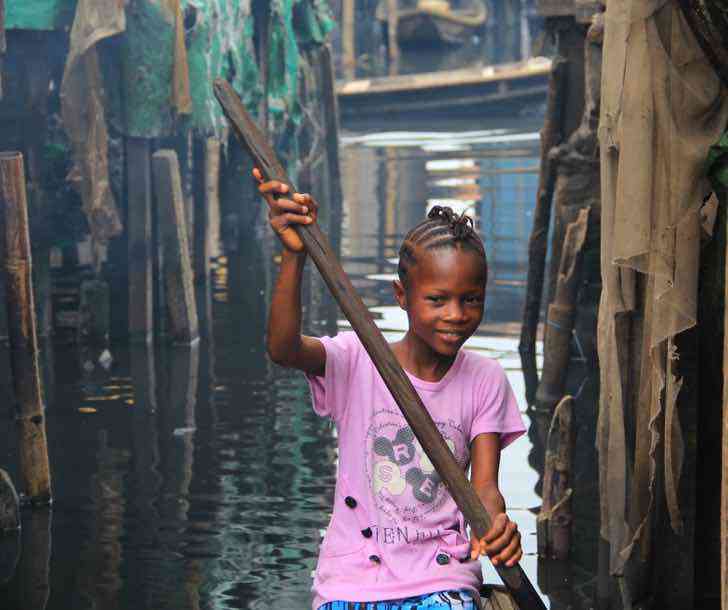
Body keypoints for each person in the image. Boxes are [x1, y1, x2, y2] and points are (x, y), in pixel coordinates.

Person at [254, 169, 526, 610]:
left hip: (441, 577)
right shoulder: (358, 359)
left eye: (470, 299)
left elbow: (486, 487)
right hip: (351, 580)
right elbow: (282, 349)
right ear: (403, 296)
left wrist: (495, 524)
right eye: (437, 300)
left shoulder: (485, 379)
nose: (456, 314)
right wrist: (294, 259)